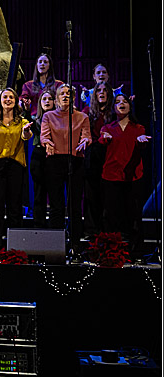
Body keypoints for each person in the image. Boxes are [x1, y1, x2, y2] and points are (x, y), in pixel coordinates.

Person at [99, 94, 150, 258]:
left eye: (125, 102)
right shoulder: (107, 128)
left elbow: (141, 142)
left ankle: (136, 252)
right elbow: (102, 140)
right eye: (118, 102)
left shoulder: (138, 128)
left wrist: (142, 141)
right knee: (111, 216)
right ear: (113, 107)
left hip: (132, 177)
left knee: (134, 215)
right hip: (111, 176)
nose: (122, 104)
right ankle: (112, 252)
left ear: (130, 106)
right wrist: (104, 138)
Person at [0, 88, 33, 251]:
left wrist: (26, 132)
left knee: (15, 206)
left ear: (16, 101)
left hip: (15, 166)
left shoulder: (22, 121)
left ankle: (15, 246)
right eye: (5, 97)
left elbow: (26, 136)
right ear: (0, 101)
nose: (8, 99)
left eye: (11, 97)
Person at [40, 85, 92, 246]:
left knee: (74, 205)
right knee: (56, 206)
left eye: (68, 94)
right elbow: (44, 136)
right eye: (62, 94)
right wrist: (47, 143)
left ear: (73, 98)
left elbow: (87, 136)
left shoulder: (82, 117)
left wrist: (85, 141)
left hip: (75, 161)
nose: (65, 96)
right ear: (56, 99)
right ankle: (55, 246)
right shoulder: (48, 116)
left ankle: (75, 244)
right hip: (55, 161)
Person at [81, 82, 112, 237]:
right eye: (98, 90)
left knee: (108, 196)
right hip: (92, 157)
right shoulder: (87, 112)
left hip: (110, 157)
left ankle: (108, 232)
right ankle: (91, 230)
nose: (101, 93)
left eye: (105, 90)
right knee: (91, 195)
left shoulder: (113, 113)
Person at [29, 88, 56, 228]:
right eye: (44, 99)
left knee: (54, 193)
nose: (47, 101)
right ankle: (38, 225)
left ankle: (54, 226)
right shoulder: (35, 120)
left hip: (54, 157)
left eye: (50, 99)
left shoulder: (59, 119)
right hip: (39, 156)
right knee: (39, 192)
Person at [20, 52, 63, 117]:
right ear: (37, 65)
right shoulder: (28, 85)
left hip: (54, 117)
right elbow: (23, 99)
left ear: (49, 66)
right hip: (34, 118)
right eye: (40, 62)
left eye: (45, 62)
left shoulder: (58, 85)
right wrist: (25, 104)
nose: (42, 64)